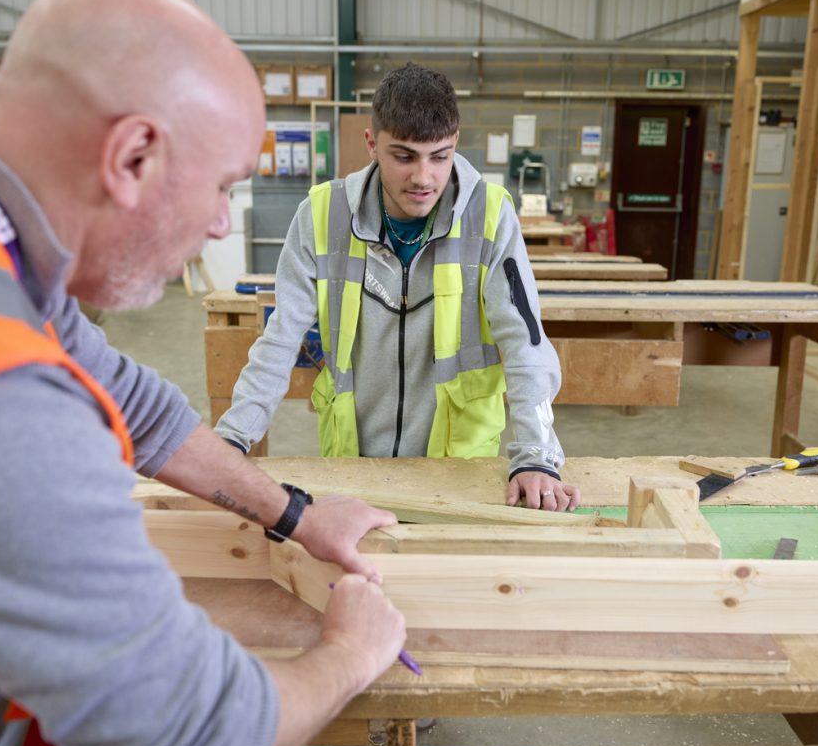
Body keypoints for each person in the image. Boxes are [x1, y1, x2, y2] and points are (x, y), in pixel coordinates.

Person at [0, 0, 406, 746]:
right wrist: (350, 652)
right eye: (219, 188)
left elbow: (128, 399)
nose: (214, 226)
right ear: (132, 155)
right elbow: (188, 730)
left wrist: (297, 514)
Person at [215, 63, 581, 512]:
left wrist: (538, 457)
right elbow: (280, 338)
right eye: (404, 156)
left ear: (456, 143)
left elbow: (526, 342)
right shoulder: (322, 215)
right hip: (353, 465)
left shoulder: (490, 215)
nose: (424, 177)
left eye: (440, 156)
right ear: (372, 143)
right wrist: (232, 439)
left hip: (459, 470)